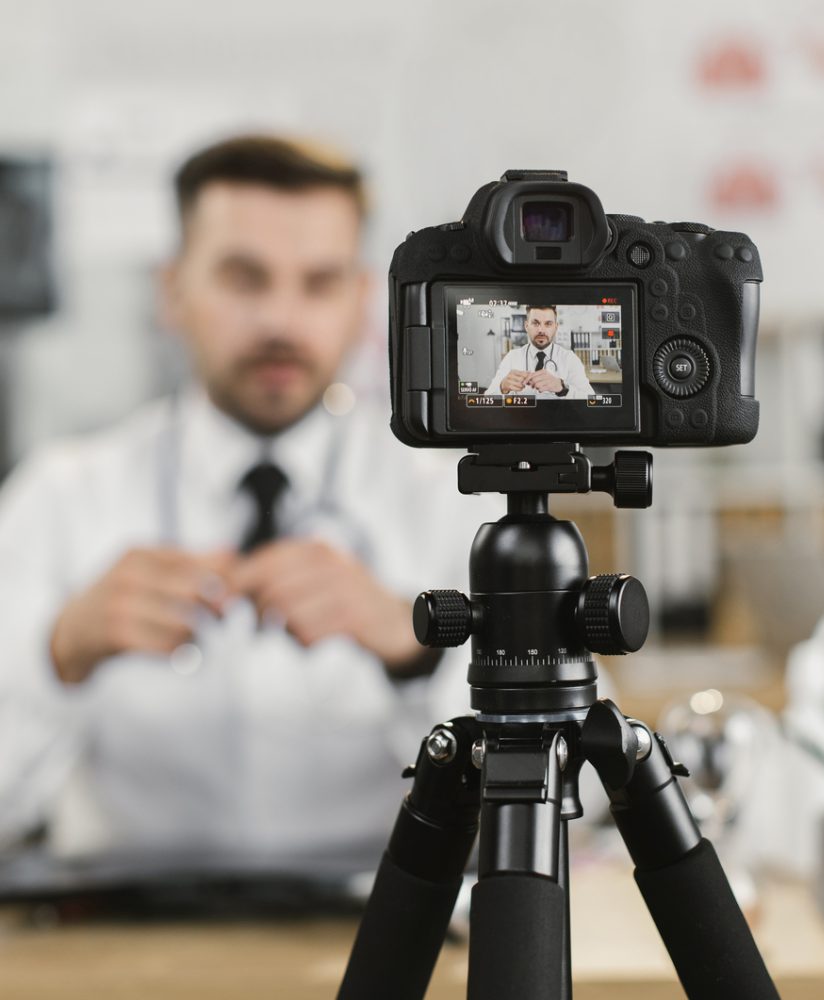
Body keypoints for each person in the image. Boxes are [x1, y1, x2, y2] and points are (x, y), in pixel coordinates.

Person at [0, 135, 491, 860]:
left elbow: (579, 796)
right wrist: (56, 656)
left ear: (362, 304)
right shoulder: (62, 495)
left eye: (318, 283)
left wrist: (417, 649)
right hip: (120, 952)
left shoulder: (458, 499)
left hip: (395, 939)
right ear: (172, 290)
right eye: (243, 278)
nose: (280, 323)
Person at [484, 305, 594, 398]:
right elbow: (488, 397)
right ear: (526, 326)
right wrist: (502, 387)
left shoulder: (569, 358)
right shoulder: (512, 357)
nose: (541, 330)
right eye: (535, 323)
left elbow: (590, 399)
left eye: (548, 324)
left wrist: (562, 388)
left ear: (556, 327)